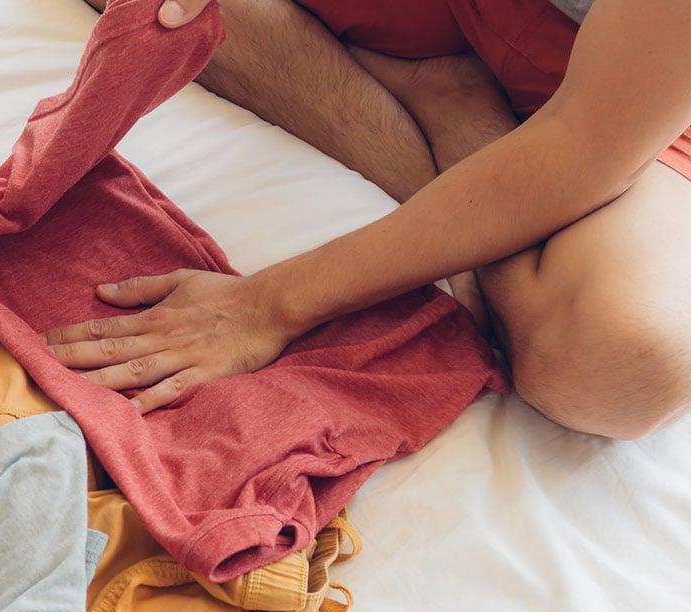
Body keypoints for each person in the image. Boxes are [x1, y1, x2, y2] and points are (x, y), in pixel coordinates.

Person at [44, 0, 691, 440]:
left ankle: (450, 106)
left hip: (635, 88)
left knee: (617, 366)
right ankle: (440, 96)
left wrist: (266, 304)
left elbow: (584, 142)